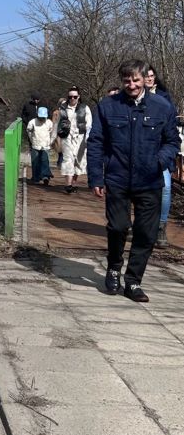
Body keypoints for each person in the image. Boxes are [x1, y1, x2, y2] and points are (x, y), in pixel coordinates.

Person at [87, 58, 179, 303]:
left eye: (136, 80)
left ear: (145, 79)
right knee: (118, 227)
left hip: (150, 180)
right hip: (117, 178)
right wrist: (96, 177)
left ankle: (133, 281)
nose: (131, 85)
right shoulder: (108, 106)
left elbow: (172, 142)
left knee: (146, 233)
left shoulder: (162, 106)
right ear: (122, 80)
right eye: (127, 80)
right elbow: (96, 143)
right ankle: (114, 267)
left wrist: (159, 161)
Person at [143, 64, 175, 247]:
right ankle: (143, 225)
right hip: (140, 149)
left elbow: (171, 125)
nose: (148, 78)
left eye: (151, 75)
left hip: (160, 150)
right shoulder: (134, 97)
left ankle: (161, 226)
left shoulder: (164, 97)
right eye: (145, 75)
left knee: (166, 188)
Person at [55, 86, 92, 193]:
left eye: (74, 96)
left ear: (78, 97)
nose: (72, 98)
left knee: (78, 161)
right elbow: (57, 123)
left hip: (81, 138)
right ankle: (68, 185)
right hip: (67, 137)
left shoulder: (85, 108)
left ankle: (73, 183)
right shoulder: (63, 108)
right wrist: (55, 138)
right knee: (68, 160)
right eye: (70, 96)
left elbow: (89, 124)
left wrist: (88, 138)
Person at [26, 106, 54, 185]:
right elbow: (29, 131)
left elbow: (51, 132)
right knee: (35, 161)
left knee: (45, 160)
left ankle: (45, 176)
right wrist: (31, 140)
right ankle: (36, 178)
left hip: (45, 145)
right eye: (40, 117)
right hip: (35, 144)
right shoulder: (32, 122)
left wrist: (50, 141)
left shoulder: (49, 122)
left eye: (43, 117)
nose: (42, 118)